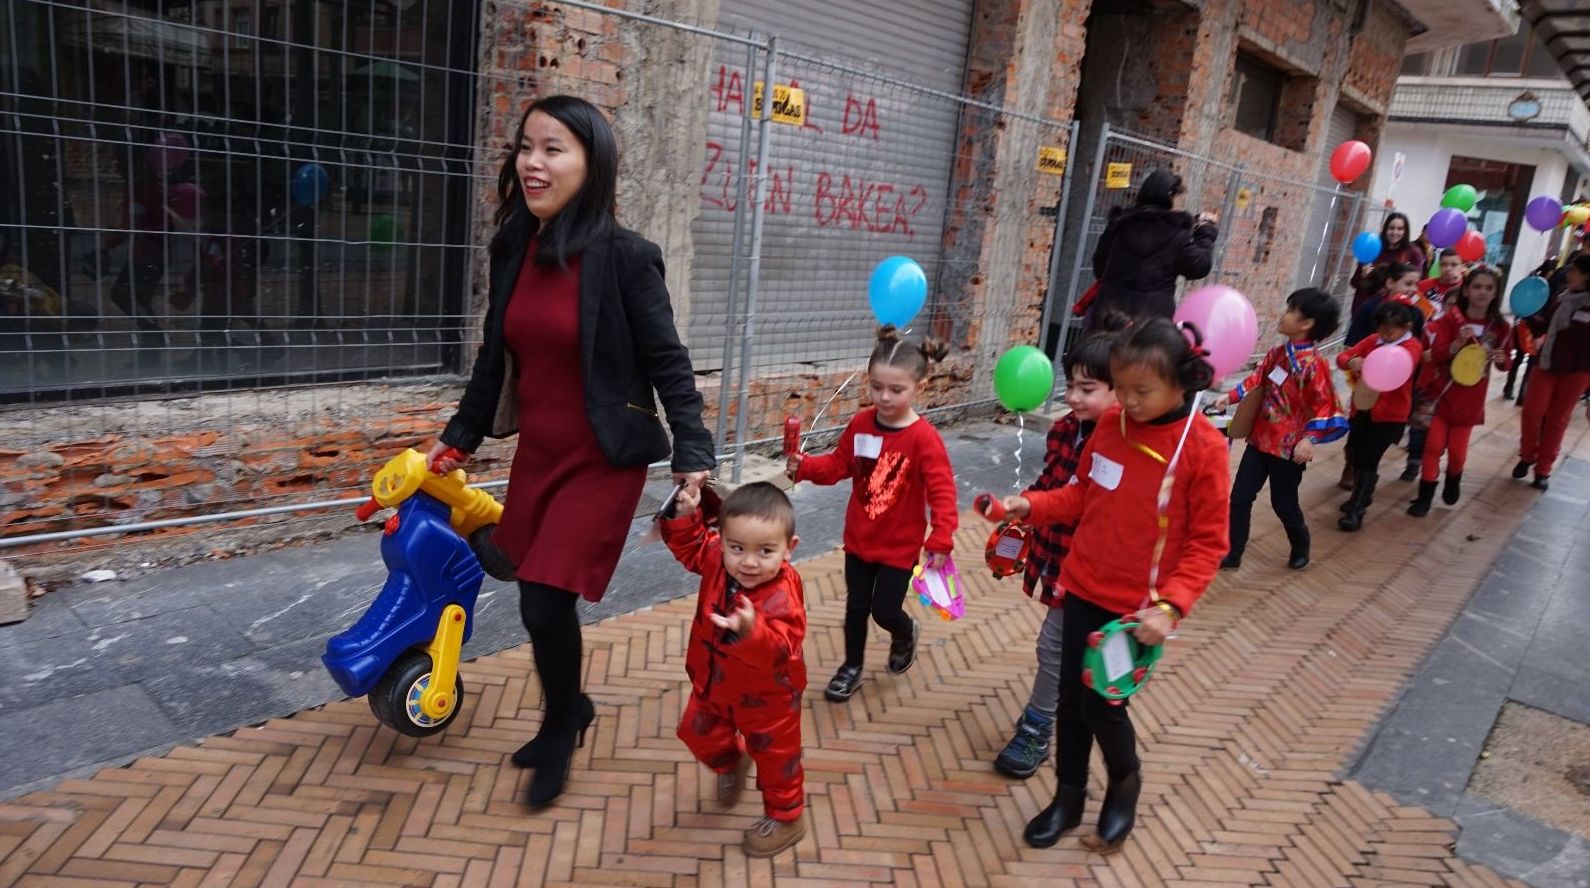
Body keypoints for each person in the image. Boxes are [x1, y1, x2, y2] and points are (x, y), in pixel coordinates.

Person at [426, 96, 716, 807]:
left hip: (602, 457)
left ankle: (562, 724)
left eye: (553, 149)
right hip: (541, 454)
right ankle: (571, 708)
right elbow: (494, 359)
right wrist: (457, 439)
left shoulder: (626, 258)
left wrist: (693, 449)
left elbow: (669, 362)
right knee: (529, 585)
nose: (533, 163)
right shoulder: (513, 250)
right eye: (526, 147)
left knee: (543, 599)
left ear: (591, 163)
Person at [995, 318, 1229, 853]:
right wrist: (1030, 507)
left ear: (1182, 384)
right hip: (1081, 585)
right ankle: (1068, 798)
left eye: (1141, 391)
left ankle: (1125, 781)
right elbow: (1081, 494)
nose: (1127, 401)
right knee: (1072, 704)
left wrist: (1171, 607)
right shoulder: (1112, 424)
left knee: (1104, 705)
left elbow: (1208, 544)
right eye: (1120, 388)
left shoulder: (1203, 448)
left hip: (1137, 611)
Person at [787, 326, 958, 703]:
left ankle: (903, 630)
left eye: (896, 390)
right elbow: (838, 465)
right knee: (856, 607)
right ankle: (851, 667)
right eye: (876, 386)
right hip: (860, 538)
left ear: (919, 387)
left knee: (884, 610)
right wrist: (804, 467)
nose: (884, 396)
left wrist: (941, 537)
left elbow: (943, 492)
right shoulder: (862, 424)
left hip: (900, 545)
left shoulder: (924, 438)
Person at [993, 317, 1125, 780]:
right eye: (1071, 386)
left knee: (1056, 648)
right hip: (1058, 552)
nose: (1072, 397)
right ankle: (1067, 712)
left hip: (1097, 571)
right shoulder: (1066, 430)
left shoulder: (1127, 443)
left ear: (1120, 391)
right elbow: (1054, 484)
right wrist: (1020, 510)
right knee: (1067, 650)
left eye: (1088, 389)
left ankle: (1039, 726)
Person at [660, 481, 809, 858]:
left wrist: (752, 630)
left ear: (789, 550)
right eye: (737, 548)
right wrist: (686, 514)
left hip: (769, 696)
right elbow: (692, 546)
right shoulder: (716, 556)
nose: (749, 561)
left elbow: (782, 647)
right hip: (714, 682)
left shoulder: (783, 593)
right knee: (697, 732)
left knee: (778, 761)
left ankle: (787, 818)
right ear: (723, 540)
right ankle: (731, 761)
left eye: (765, 551)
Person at [1210, 288, 1346, 571]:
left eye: (1289, 310)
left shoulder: (1314, 366)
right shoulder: (1276, 354)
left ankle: (1300, 544)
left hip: (1288, 449)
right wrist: (1230, 396)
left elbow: (1325, 406)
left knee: (1283, 503)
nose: (1282, 316)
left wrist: (1309, 440)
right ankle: (1233, 552)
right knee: (1240, 497)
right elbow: (1256, 380)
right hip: (1259, 440)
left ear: (1306, 323)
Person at [1408, 267, 1512, 516]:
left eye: (1489, 288)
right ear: (1466, 290)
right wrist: (1454, 345)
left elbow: (1506, 363)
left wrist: (1501, 359)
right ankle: (1425, 494)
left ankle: (1454, 478)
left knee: (1457, 452)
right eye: (1477, 287)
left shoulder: (1500, 327)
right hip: (1440, 394)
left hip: (1470, 400)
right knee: (1432, 447)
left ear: (1496, 293)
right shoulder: (1450, 320)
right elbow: (1434, 354)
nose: (1482, 292)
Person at [1335, 302, 1424, 532]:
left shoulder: (1412, 346)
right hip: (1362, 407)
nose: (1385, 334)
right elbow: (1343, 357)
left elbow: (1401, 367)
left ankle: (1358, 507)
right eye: (1382, 328)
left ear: (1407, 327)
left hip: (1390, 416)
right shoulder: (1373, 340)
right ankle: (1358, 496)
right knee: (1354, 451)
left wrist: (1371, 365)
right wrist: (1351, 361)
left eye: (1391, 330)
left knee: (1368, 458)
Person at [1089, 169, 1218, 323]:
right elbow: (1199, 266)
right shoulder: (1175, 234)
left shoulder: (1119, 225)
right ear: (1169, 197)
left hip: (1109, 316)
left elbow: (1099, 265)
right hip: (1150, 324)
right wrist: (1205, 230)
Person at [1514, 253, 1590, 491]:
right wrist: (1527, 315)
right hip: (1546, 364)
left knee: (1557, 420)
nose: (1569, 274)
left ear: (1587, 276)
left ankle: (1543, 469)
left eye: (1574, 271)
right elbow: (1544, 324)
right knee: (1532, 411)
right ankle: (1527, 455)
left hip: (1578, 371)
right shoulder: (1560, 299)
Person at [1350, 212, 1425, 315]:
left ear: (1405, 231)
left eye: (1400, 229)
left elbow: (1416, 284)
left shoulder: (1413, 252)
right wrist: (1362, 275)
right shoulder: (1372, 246)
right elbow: (1354, 283)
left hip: (1392, 311)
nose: (1395, 232)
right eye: (1391, 228)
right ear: (1385, 229)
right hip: (1365, 307)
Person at [1413, 250, 1464, 322]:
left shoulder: (1466, 289)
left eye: (1454, 265)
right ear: (1439, 266)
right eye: (1444, 264)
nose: (1448, 269)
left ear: (1462, 267)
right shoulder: (1422, 285)